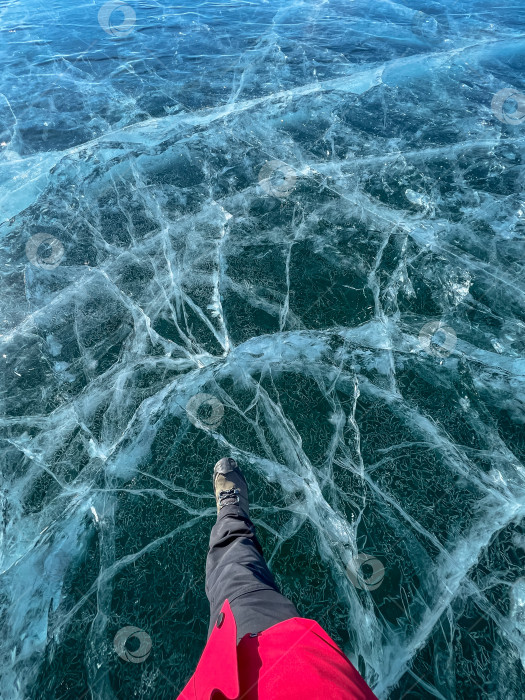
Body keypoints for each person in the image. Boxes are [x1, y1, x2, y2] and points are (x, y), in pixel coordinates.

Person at [177, 457, 378, 700]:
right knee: (235, 570)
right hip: (304, 674)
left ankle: (231, 515)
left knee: (232, 571)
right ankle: (233, 517)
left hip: (236, 678)